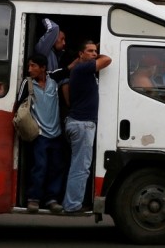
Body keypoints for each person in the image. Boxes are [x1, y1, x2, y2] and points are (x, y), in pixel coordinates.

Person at [62, 40, 111, 214]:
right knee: (80, 167)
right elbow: (108, 60)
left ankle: (71, 202)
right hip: (82, 125)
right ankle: (72, 205)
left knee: (79, 165)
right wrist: (107, 47)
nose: (94, 54)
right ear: (80, 55)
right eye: (89, 51)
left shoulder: (83, 70)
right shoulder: (82, 69)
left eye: (95, 51)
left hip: (80, 123)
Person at [13, 53, 65, 214]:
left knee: (56, 167)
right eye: (29, 66)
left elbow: (70, 69)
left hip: (56, 133)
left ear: (43, 68)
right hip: (40, 134)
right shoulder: (27, 84)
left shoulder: (54, 80)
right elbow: (18, 106)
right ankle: (33, 199)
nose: (30, 69)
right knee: (39, 167)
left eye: (33, 66)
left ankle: (52, 199)